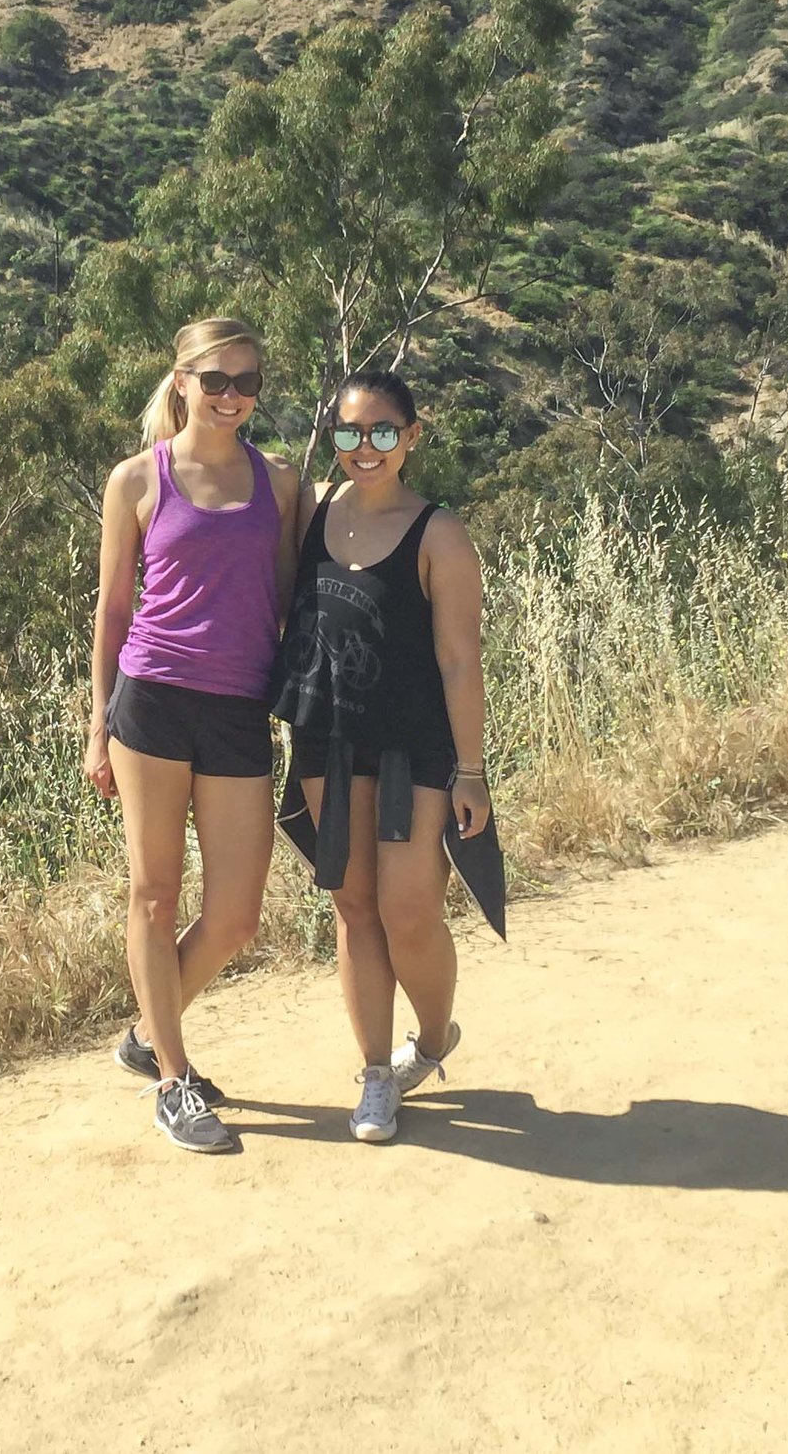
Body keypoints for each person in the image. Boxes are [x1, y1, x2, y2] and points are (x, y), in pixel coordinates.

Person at [87, 319, 302, 1154]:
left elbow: (289, 602)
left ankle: (148, 1029)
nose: (231, 396)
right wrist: (97, 724)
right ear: (180, 381)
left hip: (240, 706)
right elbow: (110, 610)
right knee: (153, 891)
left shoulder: (280, 484)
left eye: (246, 382)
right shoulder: (137, 480)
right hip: (152, 702)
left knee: (238, 915)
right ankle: (174, 1082)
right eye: (215, 380)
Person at [274, 369, 493, 1143]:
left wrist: (471, 770)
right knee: (354, 904)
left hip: (415, 747)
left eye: (379, 432)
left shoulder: (439, 532)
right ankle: (374, 1072)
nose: (362, 448)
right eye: (346, 432)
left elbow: (460, 660)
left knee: (408, 910)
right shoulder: (312, 511)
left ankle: (431, 1041)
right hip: (325, 739)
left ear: (411, 436)